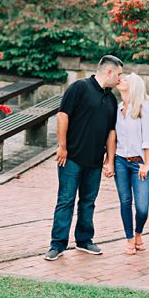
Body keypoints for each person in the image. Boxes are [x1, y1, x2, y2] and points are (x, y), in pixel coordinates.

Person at [44, 55, 122, 261]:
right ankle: (57, 244)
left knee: (88, 202)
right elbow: (63, 115)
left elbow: (111, 132)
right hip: (71, 158)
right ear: (109, 72)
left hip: (95, 162)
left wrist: (109, 160)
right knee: (66, 201)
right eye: (119, 75)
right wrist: (62, 147)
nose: (120, 79)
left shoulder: (111, 100)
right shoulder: (79, 87)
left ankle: (84, 240)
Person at [108, 72, 149, 255]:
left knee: (142, 208)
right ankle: (129, 239)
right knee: (125, 202)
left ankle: (138, 233)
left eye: (125, 79)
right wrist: (109, 162)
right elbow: (113, 137)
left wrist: (147, 164)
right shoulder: (118, 108)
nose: (120, 79)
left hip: (139, 163)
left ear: (134, 86)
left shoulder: (144, 108)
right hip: (120, 161)